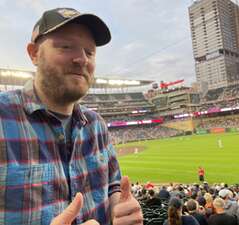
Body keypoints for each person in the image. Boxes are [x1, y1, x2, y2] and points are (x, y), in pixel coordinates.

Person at [0, 7, 143, 225]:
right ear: (34, 53)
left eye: (90, 51)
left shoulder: (96, 126)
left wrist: (119, 209)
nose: (81, 59)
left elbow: (113, 185)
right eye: (66, 47)